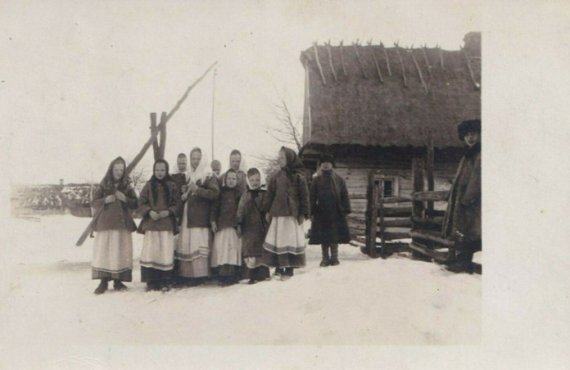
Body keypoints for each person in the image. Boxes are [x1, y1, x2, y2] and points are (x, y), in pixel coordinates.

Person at [90, 157, 138, 295]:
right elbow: (93, 202)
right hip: (106, 224)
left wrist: (125, 198)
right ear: (111, 169)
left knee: (120, 251)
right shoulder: (104, 184)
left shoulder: (127, 185)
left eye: (121, 170)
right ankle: (103, 281)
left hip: (122, 224)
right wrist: (105, 200)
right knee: (105, 252)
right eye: (116, 169)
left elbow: (136, 203)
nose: (118, 172)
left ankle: (118, 280)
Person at [261, 146, 309, 279]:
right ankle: (278, 265)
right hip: (278, 215)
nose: (279, 160)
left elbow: (304, 196)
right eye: (279, 157)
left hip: (292, 215)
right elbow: (270, 194)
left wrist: (303, 213)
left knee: (289, 241)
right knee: (278, 241)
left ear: (290, 158)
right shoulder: (276, 176)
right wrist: (266, 210)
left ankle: (288, 268)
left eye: (282, 158)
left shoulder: (299, 176)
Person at [175, 147, 220, 286]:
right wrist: (186, 191)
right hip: (188, 215)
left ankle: (200, 275)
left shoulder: (208, 174)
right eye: (193, 158)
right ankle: (188, 274)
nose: (195, 161)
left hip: (200, 216)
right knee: (187, 243)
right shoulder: (189, 174)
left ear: (202, 159)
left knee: (197, 242)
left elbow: (215, 193)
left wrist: (198, 190)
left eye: (198, 158)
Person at [443, 119, 482, 273]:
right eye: (467, 135)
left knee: (470, 230)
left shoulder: (479, 155)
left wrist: (468, 198)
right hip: (463, 199)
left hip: (473, 202)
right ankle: (459, 259)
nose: (470, 138)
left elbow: (477, 179)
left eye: (473, 134)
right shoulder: (467, 155)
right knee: (462, 229)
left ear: (479, 135)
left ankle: (464, 262)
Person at [137, 160, 180, 292]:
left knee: (164, 252)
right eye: (157, 170)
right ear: (154, 171)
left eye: (162, 170)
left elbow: (178, 202)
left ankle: (165, 280)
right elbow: (141, 201)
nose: (160, 173)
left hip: (166, 224)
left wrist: (169, 211)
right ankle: (151, 281)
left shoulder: (172, 185)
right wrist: (149, 211)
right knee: (151, 252)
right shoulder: (149, 185)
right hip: (152, 224)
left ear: (166, 171)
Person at [308, 153, 351, 267]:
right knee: (324, 236)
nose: (326, 165)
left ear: (332, 165)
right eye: (323, 163)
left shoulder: (338, 179)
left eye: (328, 163)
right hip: (321, 212)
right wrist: (311, 211)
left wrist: (346, 209)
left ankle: (335, 258)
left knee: (334, 235)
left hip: (335, 211)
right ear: (321, 165)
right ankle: (325, 259)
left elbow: (344, 195)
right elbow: (312, 197)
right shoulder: (317, 180)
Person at [237, 168, 270, 284]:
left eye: (257, 179)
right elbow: (240, 209)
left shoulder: (264, 193)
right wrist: (239, 223)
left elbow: (267, 207)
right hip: (248, 228)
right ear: (248, 181)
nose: (255, 182)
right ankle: (251, 275)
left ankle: (263, 273)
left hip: (261, 226)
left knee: (261, 250)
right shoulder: (245, 195)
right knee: (250, 251)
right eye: (252, 180)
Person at [210, 169, 243, 286]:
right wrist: (213, 221)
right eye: (229, 178)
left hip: (233, 227)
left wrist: (240, 224)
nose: (231, 181)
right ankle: (222, 275)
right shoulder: (221, 193)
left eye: (233, 178)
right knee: (222, 250)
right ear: (225, 180)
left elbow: (241, 211)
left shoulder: (239, 194)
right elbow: (214, 208)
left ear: (237, 180)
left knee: (232, 250)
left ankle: (233, 275)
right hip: (222, 226)